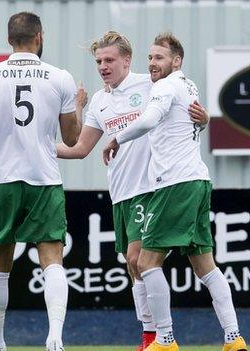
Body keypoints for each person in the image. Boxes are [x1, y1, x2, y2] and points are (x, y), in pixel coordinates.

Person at [55, 31, 209, 351]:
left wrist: (204, 117)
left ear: (127, 60)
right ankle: (149, 335)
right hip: (120, 193)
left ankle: (161, 336)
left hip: (150, 188)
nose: (103, 66)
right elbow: (81, 148)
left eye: (110, 60)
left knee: (140, 259)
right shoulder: (100, 100)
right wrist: (40, 148)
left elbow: (184, 101)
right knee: (131, 264)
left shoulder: (150, 83)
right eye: (99, 61)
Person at [102, 32, 247, 351]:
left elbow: (150, 119)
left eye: (159, 58)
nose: (152, 63)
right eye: (150, 58)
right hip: (198, 181)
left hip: (174, 184)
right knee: (205, 265)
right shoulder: (187, 84)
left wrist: (117, 138)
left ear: (176, 61)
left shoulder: (166, 86)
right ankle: (233, 338)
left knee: (145, 262)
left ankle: (164, 339)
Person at [0, 12, 80, 351]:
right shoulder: (60, 77)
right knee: (52, 258)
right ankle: (55, 337)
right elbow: (72, 139)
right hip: (43, 177)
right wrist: (80, 107)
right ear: (39, 37)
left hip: (2, 178)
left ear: (9, 40)